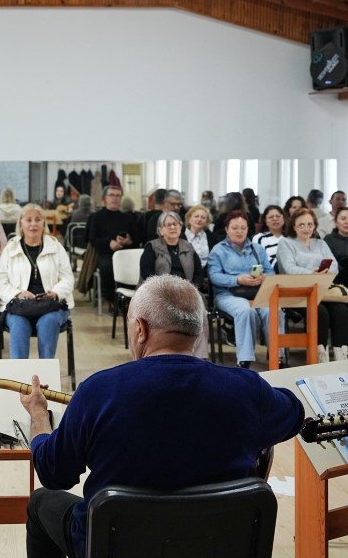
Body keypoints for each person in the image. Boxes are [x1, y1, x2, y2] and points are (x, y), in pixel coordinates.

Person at [20, 275, 304, 558]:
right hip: (217, 543)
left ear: (140, 329)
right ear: (198, 327)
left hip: (119, 545)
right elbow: (295, 412)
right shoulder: (248, 389)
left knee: (41, 502)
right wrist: (250, 391)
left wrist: (38, 415)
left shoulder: (97, 391)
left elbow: (52, 472)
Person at [0, 204, 74, 359]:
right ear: (21, 223)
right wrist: (18, 293)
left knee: (48, 323)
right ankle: (19, 378)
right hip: (19, 305)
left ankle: (45, 375)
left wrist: (55, 293)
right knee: (18, 326)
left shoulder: (56, 246)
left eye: (38, 219)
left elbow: (67, 278)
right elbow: (1, 282)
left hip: (51, 305)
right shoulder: (11, 248)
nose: (33, 224)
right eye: (28, 220)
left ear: (43, 223)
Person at [208, 210, 281, 369]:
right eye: (235, 228)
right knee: (245, 310)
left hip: (257, 292)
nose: (239, 231)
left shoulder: (257, 249)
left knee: (273, 309)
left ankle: (277, 355)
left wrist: (264, 278)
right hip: (227, 294)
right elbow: (214, 277)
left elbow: (271, 272)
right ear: (227, 229)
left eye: (243, 227)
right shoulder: (218, 250)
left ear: (248, 229)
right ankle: (244, 360)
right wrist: (237, 279)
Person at [278, 208, 348, 362]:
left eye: (310, 224)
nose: (306, 228)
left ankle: (341, 355)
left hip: (322, 290)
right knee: (320, 312)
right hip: (297, 292)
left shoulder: (321, 243)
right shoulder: (286, 243)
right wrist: (312, 273)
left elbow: (334, 267)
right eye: (301, 225)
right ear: (294, 226)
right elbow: (289, 269)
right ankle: (320, 354)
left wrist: (320, 275)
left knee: (342, 311)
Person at [140, 210, 209, 359]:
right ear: (160, 230)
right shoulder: (152, 247)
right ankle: (165, 354)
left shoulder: (188, 247)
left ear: (181, 226)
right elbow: (146, 273)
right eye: (168, 225)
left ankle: (198, 357)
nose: (172, 227)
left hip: (187, 292)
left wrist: (193, 288)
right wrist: (163, 290)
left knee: (200, 307)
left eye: (175, 224)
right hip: (159, 292)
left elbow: (198, 272)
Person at [87, 186, 140, 307]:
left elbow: (137, 238)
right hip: (106, 252)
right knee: (107, 267)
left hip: (126, 252)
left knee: (136, 265)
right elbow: (92, 239)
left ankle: (129, 298)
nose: (115, 198)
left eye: (118, 195)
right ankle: (112, 300)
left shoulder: (128, 217)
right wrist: (109, 243)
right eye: (112, 195)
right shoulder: (96, 217)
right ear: (105, 198)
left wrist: (129, 241)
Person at [252, 205, 288, 270]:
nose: (275, 219)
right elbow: (259, 259)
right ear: (265, 221)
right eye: (271, 217)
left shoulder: (290, 237)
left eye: (278, 216)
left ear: (284, 219)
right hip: (269, 275)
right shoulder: (259, 238)